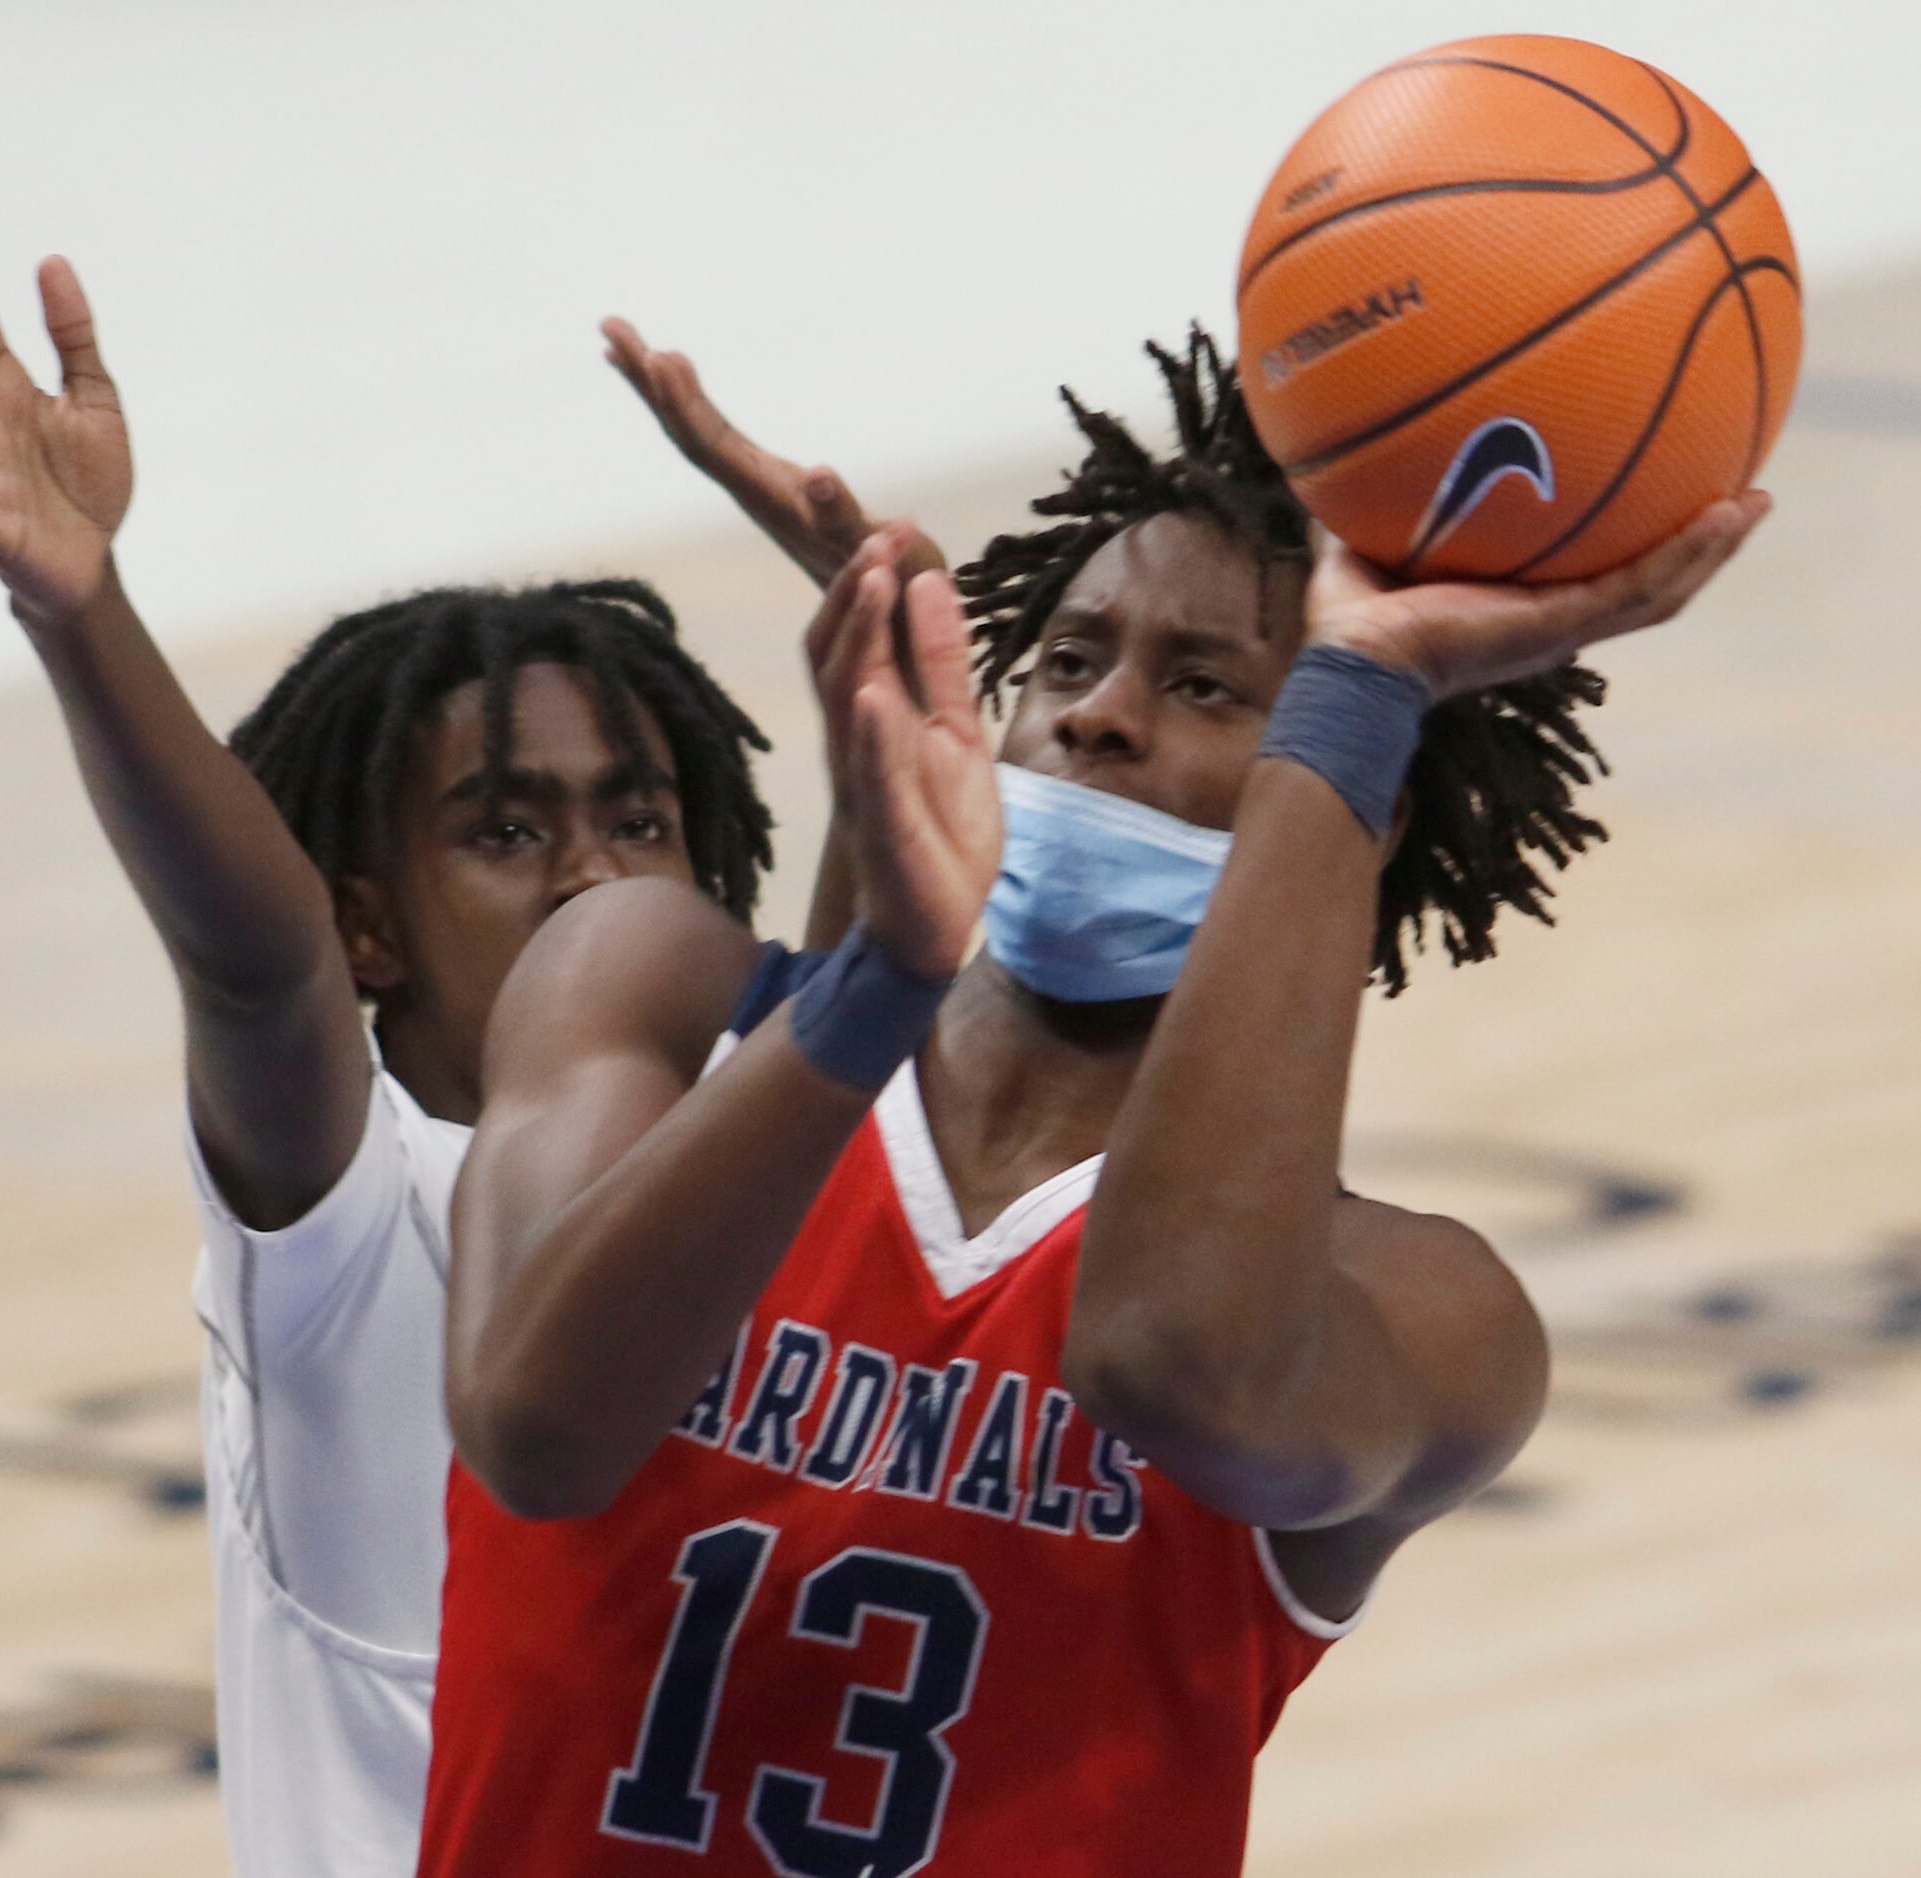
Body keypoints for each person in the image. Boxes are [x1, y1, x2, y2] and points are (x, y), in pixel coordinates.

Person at [418, 329, 1766, 1874]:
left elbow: (1171, 1362)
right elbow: (539, 1431)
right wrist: (877, 977)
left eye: (1202, 685)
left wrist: (1364, 685)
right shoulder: (650, 991)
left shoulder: (1426, 1317)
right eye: (1066, 659)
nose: (1099, 714)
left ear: (1353, 803)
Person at [0, 216, 779, 1878]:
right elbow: (253, 971)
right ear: (367, 924)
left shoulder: (793, 1177)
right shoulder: (364, 1214)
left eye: (640, 820)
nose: (591, 876)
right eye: (505, 828)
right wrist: (84, 613)